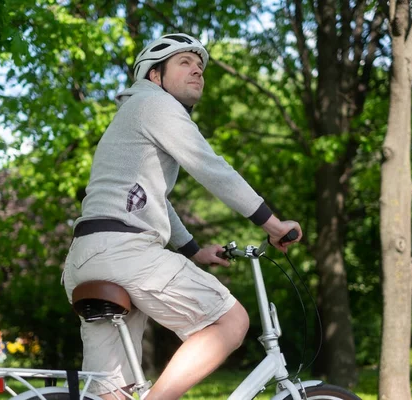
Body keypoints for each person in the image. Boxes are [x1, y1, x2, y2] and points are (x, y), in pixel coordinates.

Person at [62, 33, 302, 400]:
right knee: (231, 321)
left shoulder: (132, 115)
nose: (197, 71)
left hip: (86, 258)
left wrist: (193, 251)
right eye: (184, 63)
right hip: (125, 253)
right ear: (155, 76)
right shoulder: (156, 106)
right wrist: (273, 225)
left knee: (111, 392)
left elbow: (156, 200)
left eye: (200, 66)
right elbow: (211, 169)